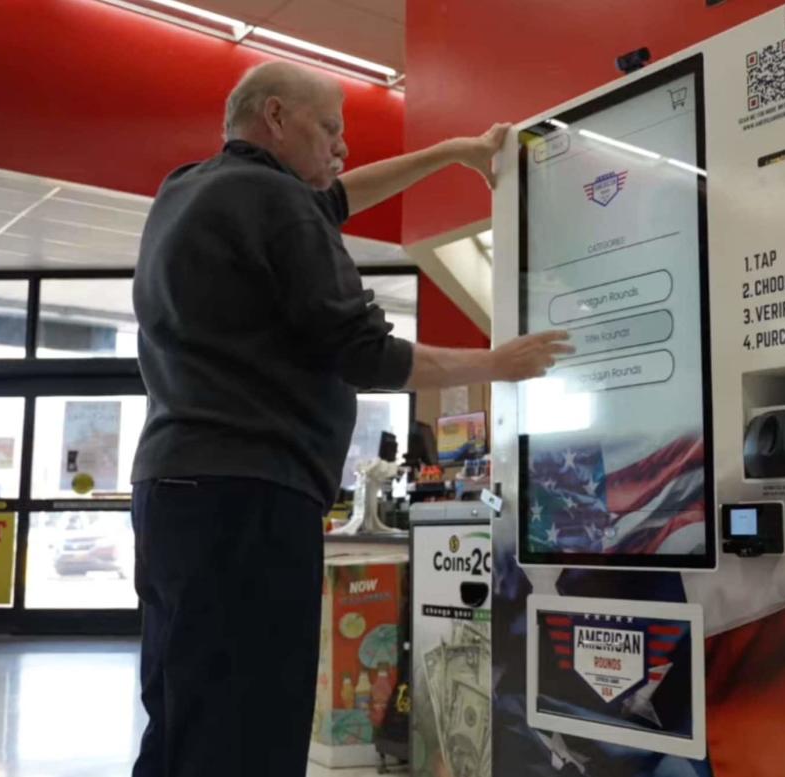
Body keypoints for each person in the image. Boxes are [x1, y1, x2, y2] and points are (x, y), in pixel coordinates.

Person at [130, 61, 570, 776]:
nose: (342, 146)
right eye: (330, 127)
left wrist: (451, 153)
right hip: (251, 497)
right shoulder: (272, 202)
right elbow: (365, 351)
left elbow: (330, 200)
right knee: (253, 719)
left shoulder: (190, 189)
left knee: (187, 709)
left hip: (175, 492)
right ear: (275, 116)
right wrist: (500, 362)